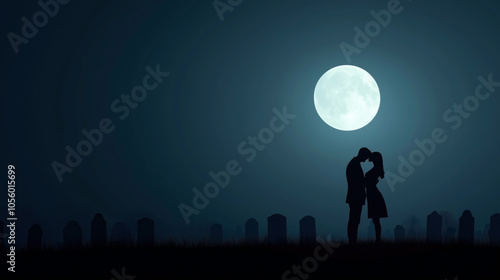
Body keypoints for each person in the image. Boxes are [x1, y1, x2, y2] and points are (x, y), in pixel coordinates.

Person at [345, 147, 371, 245]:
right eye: (366, 157)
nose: (366, 159)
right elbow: (358, 182)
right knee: (354, 219)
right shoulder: (354, 165)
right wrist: (368, 181)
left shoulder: (354, 164)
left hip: (355, 196)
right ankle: (352, 240)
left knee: (355, 219)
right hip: (355, 196)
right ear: (362, 155)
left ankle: (352, 239)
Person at [365, 151, 388, 243]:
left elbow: (369, 182)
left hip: (373, 194)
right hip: (372, 194)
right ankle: (378, 239)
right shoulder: (376, 169)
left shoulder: (376, 170)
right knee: (375, 220)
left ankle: (378, 239)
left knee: (376, 219)